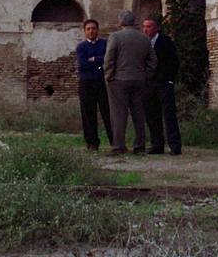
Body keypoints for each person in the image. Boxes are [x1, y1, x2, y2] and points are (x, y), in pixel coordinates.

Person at [102, 10, 156, 154]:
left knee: (119, 114)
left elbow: (109, 59)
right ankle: (139, 146)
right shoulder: (144, 38)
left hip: (119, 80)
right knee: (138, 114)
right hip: (139, 80)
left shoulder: (115, 37)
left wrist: (108, 76)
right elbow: (153, 61)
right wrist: (146, 76)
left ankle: (118, 146)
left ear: (121, 22)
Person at [142, 15, 182, 155]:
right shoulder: (142, 43)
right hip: (148, 84)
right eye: (144, 26)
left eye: (149, 26)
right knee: (152, 115)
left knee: (169, 114)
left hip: (164, 83)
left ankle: (175, 146)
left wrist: (170, 79)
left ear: (157, 28)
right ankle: (157, 145)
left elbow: (174, 61)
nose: (146, 29)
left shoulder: (165, 41)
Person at [75, 19, 114, 151]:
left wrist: (94, 60)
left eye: (93, 28)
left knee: (108, 112)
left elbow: (108, 59)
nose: (91, 31)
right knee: (88, 113)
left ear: (98, 30)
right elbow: (82, 64)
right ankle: (92, 142)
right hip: (86, 83)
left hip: (102, 82)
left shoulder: (105, 44)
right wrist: (99, 62)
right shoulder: (81, 47)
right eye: (88, 29)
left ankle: (115, 142)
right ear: (85, 31)